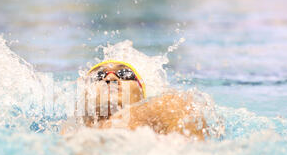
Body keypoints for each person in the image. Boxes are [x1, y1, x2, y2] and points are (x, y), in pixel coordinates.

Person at [62, 60, 208, 140]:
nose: (110, 78)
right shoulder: (70, 130)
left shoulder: (166, 106)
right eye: (98, 76)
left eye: (124, 74)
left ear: (141, 92)